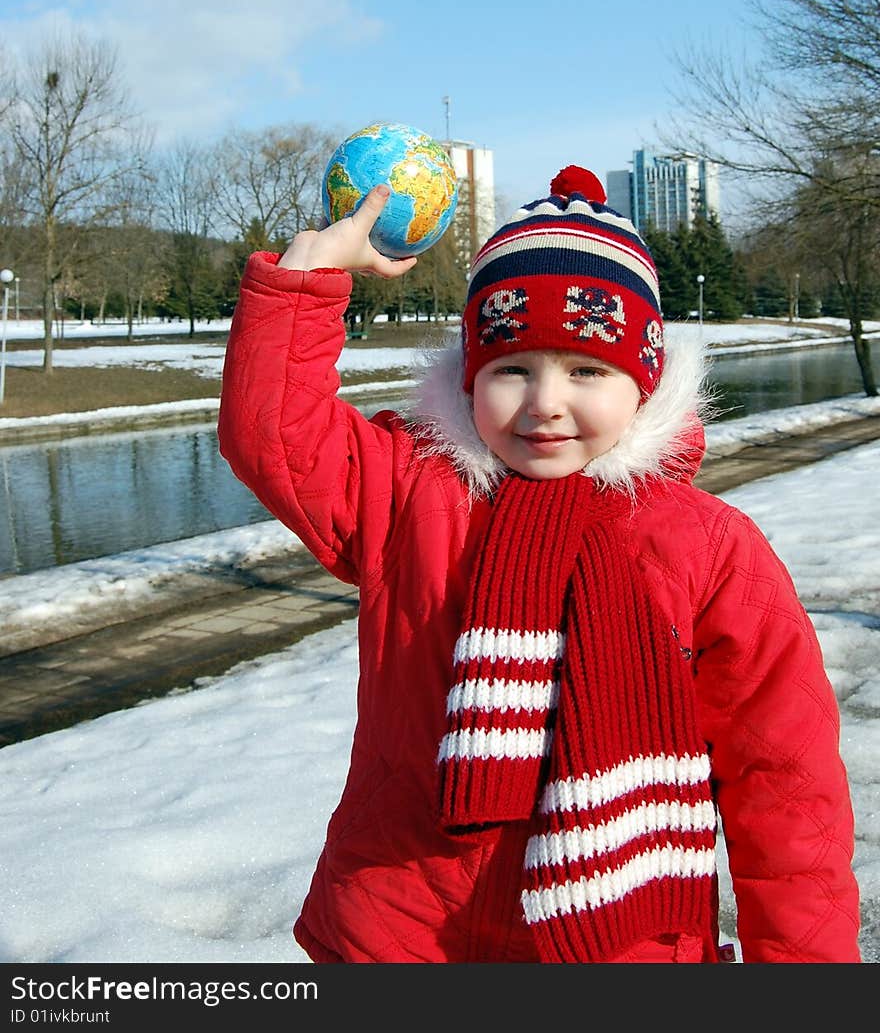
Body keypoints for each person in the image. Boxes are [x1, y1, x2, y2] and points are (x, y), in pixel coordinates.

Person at [217, 165, 861, 964]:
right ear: (471, 376)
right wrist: (307, 280)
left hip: (625, 945)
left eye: (587, 370)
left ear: (644, 382)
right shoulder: (412, 495)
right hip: (401, 931)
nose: (545, 401)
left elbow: (785, 783)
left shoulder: (711, 546)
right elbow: (273, 435)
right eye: (512, 368)